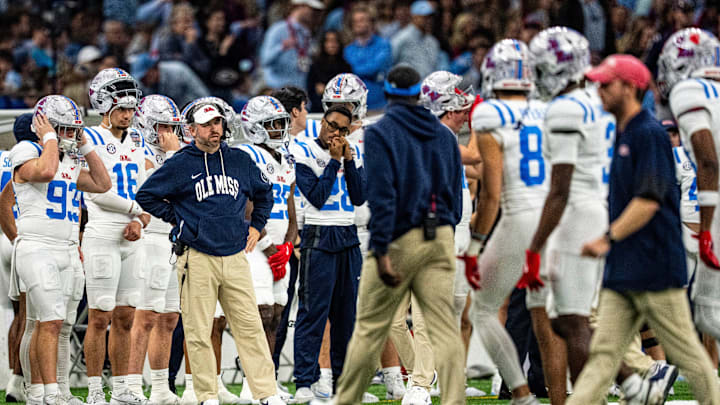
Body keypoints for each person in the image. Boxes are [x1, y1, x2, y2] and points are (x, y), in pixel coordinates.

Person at [571, 53, 720, 405]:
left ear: (629, 87)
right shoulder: (625, 132)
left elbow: (649, 200)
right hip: (625, 268)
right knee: (603, 357)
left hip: (655, 266)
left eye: (606, 84)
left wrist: (606, 239)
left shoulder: (649, 133)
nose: (600, 91)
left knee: (691, 356)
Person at [135, 98, 284, 405]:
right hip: (196, 255)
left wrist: (256, 225)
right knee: (199, 331)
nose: (214, 129)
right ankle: (206, 396)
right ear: (191, 130)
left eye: (217, 123)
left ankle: (266, 394)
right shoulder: (180, 163)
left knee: (250, 328)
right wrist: (180, 219)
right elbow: (146, 196)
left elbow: (264, 193)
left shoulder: (240, 159)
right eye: (206, 124)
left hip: (234, 256)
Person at [331, 65, 465, 405]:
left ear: (387, 94)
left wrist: (381, 247)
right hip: (441, 233)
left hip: (398, 236)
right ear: (418, 94)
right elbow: (455, 196)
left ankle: (346, 398)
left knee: (370, 325)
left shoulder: (380, 133)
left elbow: (382, 195)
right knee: (441, 326)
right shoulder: (444, 134)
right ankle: (448, 396)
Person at [9, 95, 111, 405]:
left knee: (63, 324)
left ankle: (61, 391)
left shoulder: (67, 158)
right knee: (47, 321)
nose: (69, 135)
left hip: (67, 247)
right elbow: (44, 172)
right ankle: (44, 392)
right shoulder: (27, 149)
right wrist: (50, 136)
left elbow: (102, 183)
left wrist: (85, 145)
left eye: (72, 130)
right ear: (45, 126)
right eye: (63, 129)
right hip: (38, 246)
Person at [461, 39, 544, 405]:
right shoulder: (550, 111)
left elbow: (490, 192)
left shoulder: (489, 113)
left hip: (516, 216)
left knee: (485, 307)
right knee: (558, 314)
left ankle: (520, 391)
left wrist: (475, 246)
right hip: (559, 217)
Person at [81, 68, 152, 405]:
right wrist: (135, 211)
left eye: (130, 108)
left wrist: (141, 218)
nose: (128, 114)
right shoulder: (88, 138)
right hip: (102, 230)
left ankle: (123, 386)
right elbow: (96, 192)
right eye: (121, 107)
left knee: (126, 315)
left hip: (132, 233)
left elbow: (147, 186)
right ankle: (96, 389)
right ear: (103, 105)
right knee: (100, 314)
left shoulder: (138, 140)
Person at [288, 104, 366, 403]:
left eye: (342, 130)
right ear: (323, 122)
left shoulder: (351, 152)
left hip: (348, 235)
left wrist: (349, 160)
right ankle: (305, 381)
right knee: (313, 313)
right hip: (319, 234)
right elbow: (317, 198)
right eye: (331, 125)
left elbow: (359, 197)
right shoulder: (305, 151)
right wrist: (334, 162)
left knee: (346, 316)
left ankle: (343, 383)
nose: (334, 133)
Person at [234, 95, 298, 403]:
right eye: (272, 124)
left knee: (277, 315)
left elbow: (290, 202)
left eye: (280, 123)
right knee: (260, 314)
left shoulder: (285, 157)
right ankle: (251, 384)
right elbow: (246, 207)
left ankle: (267, 381)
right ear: (255, 127)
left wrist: (289, 242)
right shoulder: (247, 155)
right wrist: (270, 246)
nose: (278, 129)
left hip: (278, 246)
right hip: (254, 245)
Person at [661, 27, 720, 344]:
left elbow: (709, 162)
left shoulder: (689, 91)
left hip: (714, 208)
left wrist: (706, 229)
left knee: (708, 312)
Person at [125, 95, 183, 404]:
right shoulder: (139, 152)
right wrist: (175, 157)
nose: (168, 134)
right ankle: (133, 385)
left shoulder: (176, 154)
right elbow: (160, 189)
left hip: (174, 240)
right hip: (149, 239)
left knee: (169, 318)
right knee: (144, 315)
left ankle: (160, 387)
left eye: (172, 127)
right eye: (162, 127)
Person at [3, 113, 31, 404]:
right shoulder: (35, 157)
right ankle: (18, 381)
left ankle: (14, 376)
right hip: (25, 235)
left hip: (3, 238)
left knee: (17, 315)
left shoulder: (2, 156)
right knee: (31, 316)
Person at [260, 0, 325, 89]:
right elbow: (264, 60)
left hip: (300, 90)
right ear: (300, 6)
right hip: (277, 89)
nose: (313, 13)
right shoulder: (278, 29)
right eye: (311, 9)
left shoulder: (307, 33)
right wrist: (281, 47)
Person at [344, 5, 393, 111]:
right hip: (355, 105)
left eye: (362, 20)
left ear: (371, 23)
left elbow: (374, 68)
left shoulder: (383, 45)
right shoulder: (348, 49)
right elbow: (346, 72)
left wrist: (354, 70)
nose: (358, 24)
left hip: (379, 103)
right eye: (355, 21)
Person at [391, 1, 446, 80]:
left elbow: (436, 66)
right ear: (414, 17)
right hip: (407, 88)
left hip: (428, 87)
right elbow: (390, 63)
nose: (429, 21)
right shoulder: (401, 38)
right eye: (425, 17)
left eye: (430, 17)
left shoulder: (433, 41)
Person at [306, 30, 352, 113]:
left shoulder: (346, 67)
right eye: (329, 41)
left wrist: (325, 89)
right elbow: (311, 91)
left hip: (341, 112)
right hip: (318, 111)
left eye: (335, 41)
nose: (332, 45)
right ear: (323, 44)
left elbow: (348, 92)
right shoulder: (315, 66)